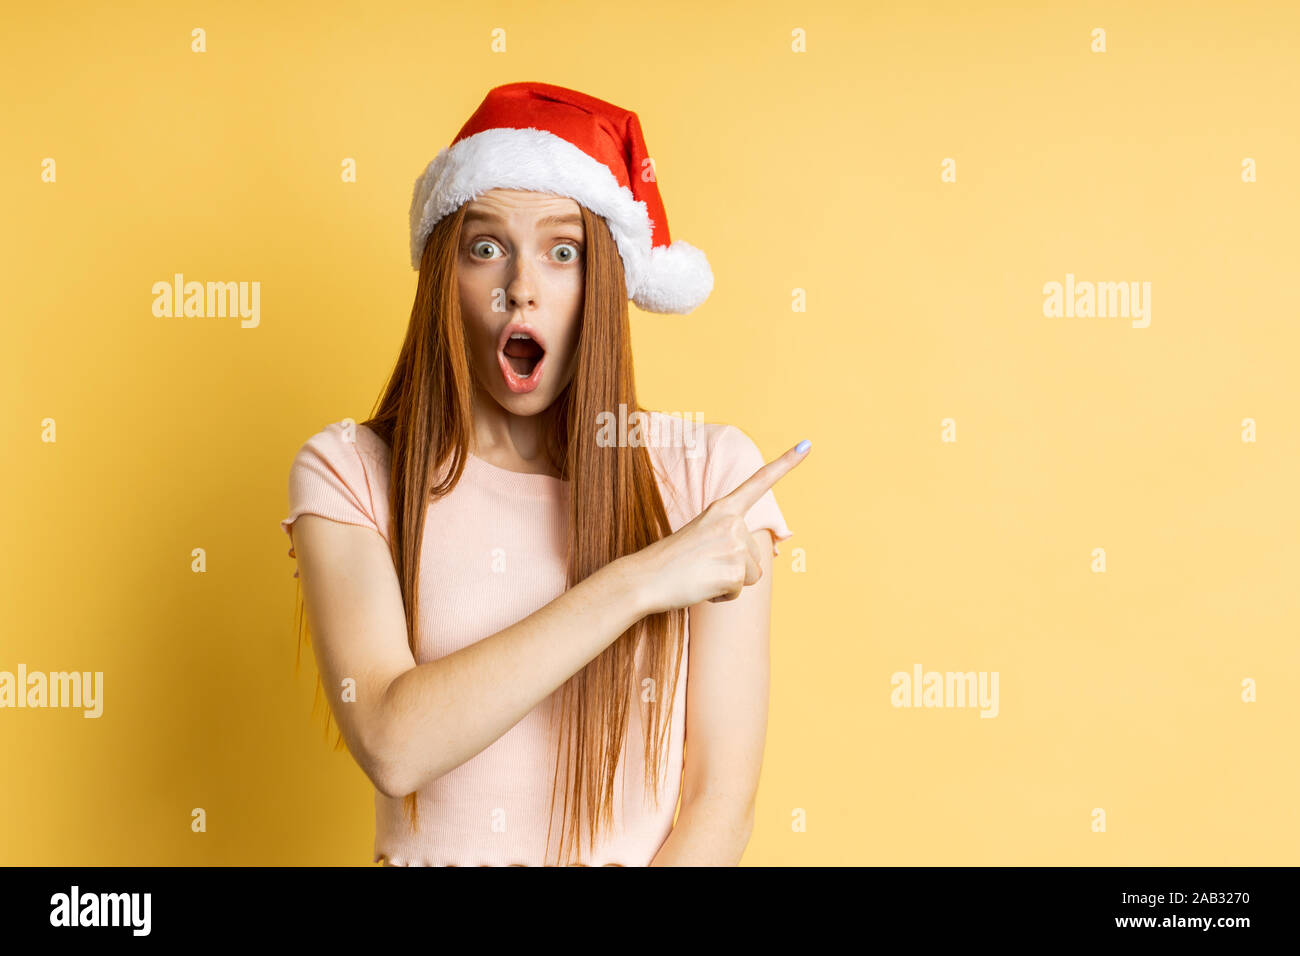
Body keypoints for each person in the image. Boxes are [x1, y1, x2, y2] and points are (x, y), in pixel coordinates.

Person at [279, 81, 811, 866]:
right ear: (442, 278)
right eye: (485, 247)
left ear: (601, 286)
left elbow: (719, 806)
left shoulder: (709, 480)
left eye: (563, 252)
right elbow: (394, 744)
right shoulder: (350, 473)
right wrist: (641, 582)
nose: (520, 286)